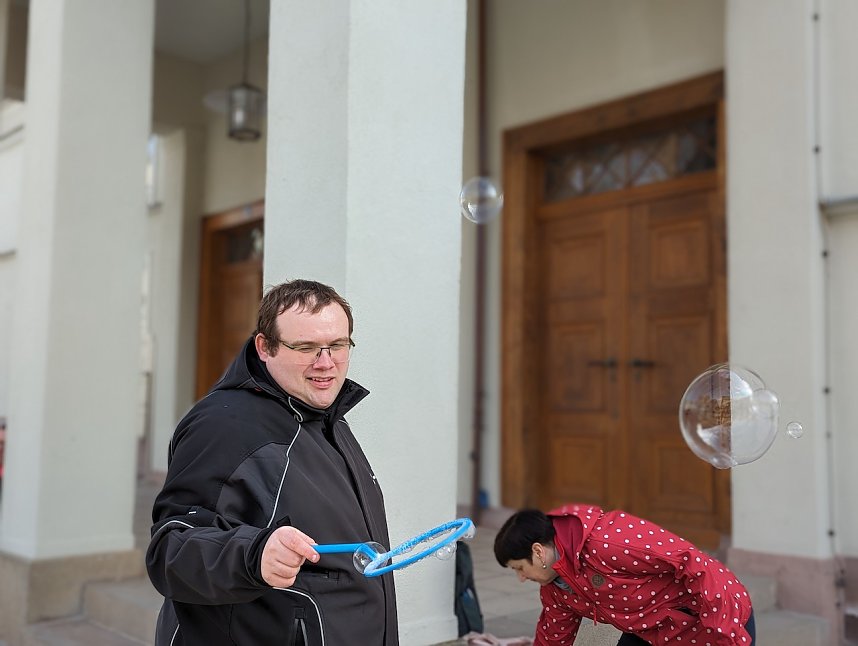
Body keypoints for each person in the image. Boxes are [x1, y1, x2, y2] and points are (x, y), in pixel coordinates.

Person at [146, 279, 398, 646]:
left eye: (338, 345)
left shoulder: (323, 414)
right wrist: (254, 554)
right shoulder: (223, 426)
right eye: (306, 347)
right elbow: (171, 551)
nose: (326, 363)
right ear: (265, 347)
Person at [494, 505, 755, 646]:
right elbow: (552, 639)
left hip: (713, 619)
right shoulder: (556, 588)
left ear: (538, 551)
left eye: (519, 568)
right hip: (651, 632)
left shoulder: (609, 541)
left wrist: (727, 635)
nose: (521, 578)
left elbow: (695, 564)